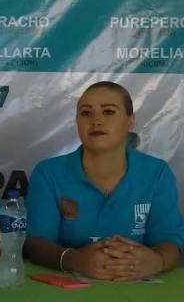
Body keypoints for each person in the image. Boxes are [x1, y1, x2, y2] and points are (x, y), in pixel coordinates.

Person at [24, 81, 184, 281]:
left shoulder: (157, 172)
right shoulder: (48, 172)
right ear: (77, 122)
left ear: (130, 121)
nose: (96, 121)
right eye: (85, 113)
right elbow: (35, 243)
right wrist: (75, 260)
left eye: (108, 112)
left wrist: (157, 261)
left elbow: (170, 241)